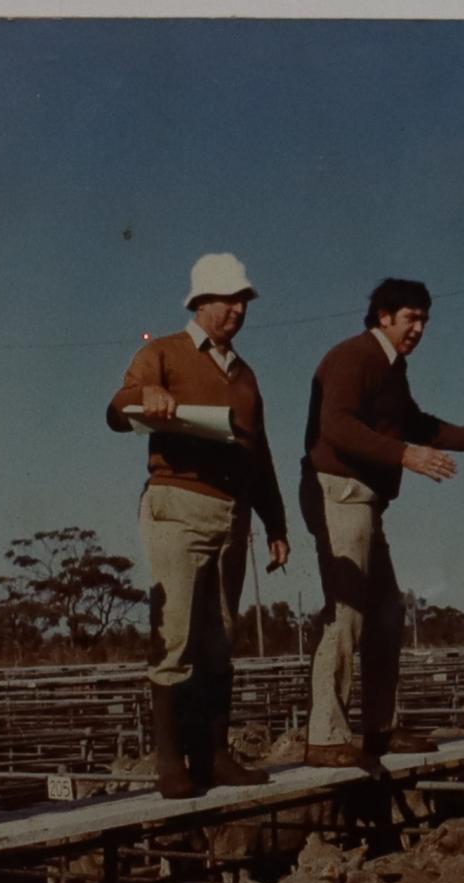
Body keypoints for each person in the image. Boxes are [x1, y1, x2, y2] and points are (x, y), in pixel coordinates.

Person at [300, 278, 464, 770]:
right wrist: (405, 456)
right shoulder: (354, 357)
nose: (418, 329)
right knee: (347, 611)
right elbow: (337, 426)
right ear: (383, 317)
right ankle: (326, 734)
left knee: (387, 614)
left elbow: (416, 424)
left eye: (424, 320)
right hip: (339, 490)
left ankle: (379, 728)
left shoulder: (392, 369)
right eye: (410, 319)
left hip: (367, 499)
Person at [107, 253, 290, 797]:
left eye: (243, 301)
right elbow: (118, 407)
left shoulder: (245, 374)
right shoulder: (161, 352)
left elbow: (260, 454)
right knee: (176, 633)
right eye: (227, 300)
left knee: (220, 637)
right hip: (177, 502)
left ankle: (213, 755)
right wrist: (147, 397)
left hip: (231, 512)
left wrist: (275, 523)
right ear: (200, 302)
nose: (237, 310)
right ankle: (170, 763)